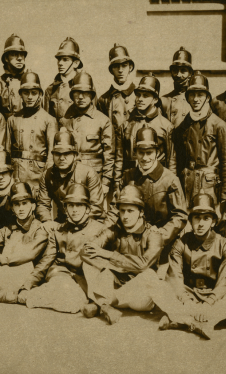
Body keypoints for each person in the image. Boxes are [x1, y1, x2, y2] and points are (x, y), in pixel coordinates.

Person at [152, 193, 226, 339]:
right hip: (187, 295)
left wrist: (208, 303)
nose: (201, 223)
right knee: (157, 286)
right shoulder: (182, 242)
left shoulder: (225, 244)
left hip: (213, 298)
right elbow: (175, 277)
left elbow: (224, 281)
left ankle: (181, 320)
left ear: (213, 222)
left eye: (206, 218)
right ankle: (198, 323)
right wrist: (187, 301)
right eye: (197, 218)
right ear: (190, 220)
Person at [81, 185, 164, 324]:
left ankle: (101, 304)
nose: (125, 216)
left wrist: (109, 255)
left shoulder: (154, 234)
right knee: (88, 264)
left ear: (141, 212)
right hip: (116, 290)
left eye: (130, 211)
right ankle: (104, 305)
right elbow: (85, 251)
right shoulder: (114, 230)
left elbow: (143, 264)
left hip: (139, 297)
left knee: (149, 275)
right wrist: (113, 266)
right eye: (122, 211)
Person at [22, 184, 106, 315]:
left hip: (83, 280)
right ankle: (30, 295)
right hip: (60, 275)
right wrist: (27, 285)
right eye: (70, 205)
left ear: (88, 209)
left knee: (71, 302)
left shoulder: (99, 230)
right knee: (65, 293)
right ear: (65, 209)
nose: (75, 210)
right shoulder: (59, 230)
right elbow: (46, 261)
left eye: (79, 205)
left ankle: (32, 296)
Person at [120, 127, 188, 262]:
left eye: (149, 152)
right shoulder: (128, 176)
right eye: (141, 153)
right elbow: (115, 211)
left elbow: (180, 216)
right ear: (136, 153)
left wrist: (160, 235)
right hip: (132, 244)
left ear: (157, 152)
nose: (145, 158)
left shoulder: (170, 180)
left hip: (161, 246)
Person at [172, 72, 226, 205]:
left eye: (200, 95)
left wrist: (225, 198)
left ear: (207, 98)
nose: (196, 99)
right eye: (192, 95)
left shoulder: (220, 126)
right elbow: (176, 161)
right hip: (186, 186)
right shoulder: (182, 127)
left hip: (210, 187)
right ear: (187, 98)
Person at [58, 71, 115, 203]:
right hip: (69, 176)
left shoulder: (103, 120)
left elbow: (109, 154)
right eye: (77, 93)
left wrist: (106, 182)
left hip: (94, 178)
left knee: (94, 213)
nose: (81, 97)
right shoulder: (64, 120)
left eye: (86, 93)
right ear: (72, 95)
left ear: (92, 95)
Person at [36, 130, 105, 223]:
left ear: (75, 155)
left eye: (66, 153)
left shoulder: (88, 172)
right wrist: (48, 223)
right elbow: (42, 205)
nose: (61, 158)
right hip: (63, 221)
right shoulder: (47, 175)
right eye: (57, 153)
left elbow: (96, 207)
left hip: (89, 221)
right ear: (52, 155)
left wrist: (75, 225)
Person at [118, 74, 176, 184]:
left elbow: (172, 160)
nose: (140, 99)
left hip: (157, 180)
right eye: (138, 95)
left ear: (155, 99)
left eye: (145, 96)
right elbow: (119, 158)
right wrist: (117, 183)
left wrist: (170, 183)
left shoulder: (166, 126)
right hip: (130, 179)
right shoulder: (126, 125)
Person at [5, 71, 57, 192]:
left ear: (40, 94)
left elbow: (51, 155)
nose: (29, 97)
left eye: (34, 93)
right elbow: (7, 152)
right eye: (26, 93)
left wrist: (46, 179)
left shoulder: (49, 120)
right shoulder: (12, 120)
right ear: (21, 95)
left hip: (37, 177)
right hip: (16, 176)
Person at [97, 43, 138, 139]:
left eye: (124, 65)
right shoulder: (104, 99)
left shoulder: (139, 95)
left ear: (130, 67)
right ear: (111, 70)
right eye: (116, 66)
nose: (120, 70)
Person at [44, 37, 82, 122]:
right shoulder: (50, 90)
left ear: (76, 63)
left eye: (65, 60)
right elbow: (46, 122)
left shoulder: (85, 86)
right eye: (59, 59)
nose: (60, 63)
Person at [160, 47, 193, 127]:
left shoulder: (196, 99)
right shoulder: (164, 100)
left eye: (183, 71)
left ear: (190, 73)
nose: (178, 75)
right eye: (175, 70)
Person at [0, 34, 28, 118]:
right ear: (6, 58)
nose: (19, 58)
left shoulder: (30, 80)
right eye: (14, 54)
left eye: (22, 54)